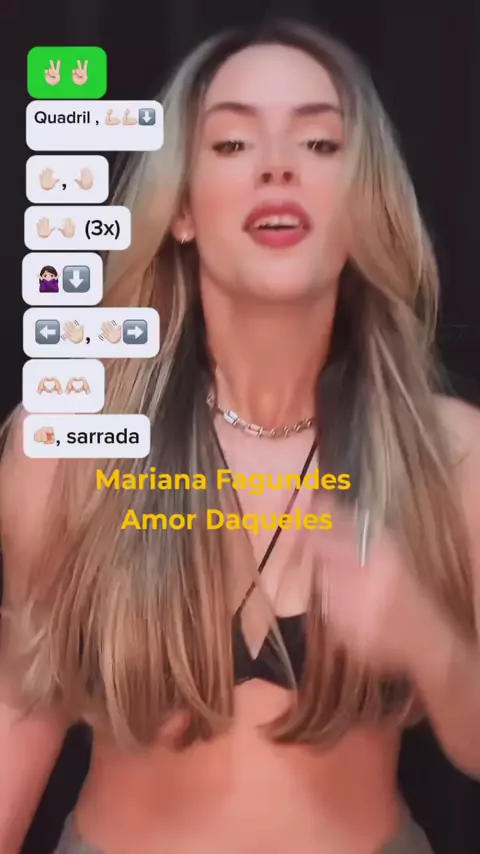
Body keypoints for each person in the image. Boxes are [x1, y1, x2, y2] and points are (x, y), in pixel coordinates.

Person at [1, 17, 480, 854]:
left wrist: (432, 646)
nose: (277, 165)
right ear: (182, 210)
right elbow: (22, 700)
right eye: (231, 144)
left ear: (361, 205)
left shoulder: (456, 456)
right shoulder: (71, 444)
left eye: (320, 143)